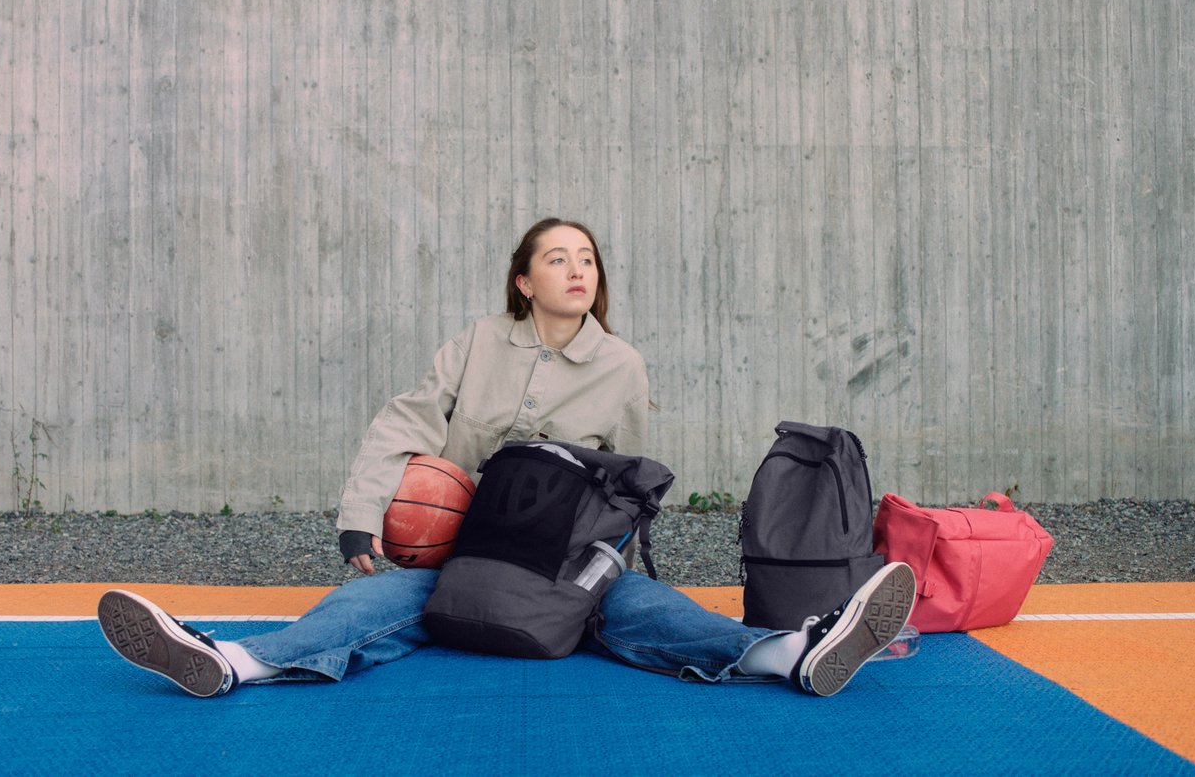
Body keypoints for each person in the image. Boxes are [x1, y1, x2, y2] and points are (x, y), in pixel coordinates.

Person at [98, 218, 916, 698]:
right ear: (523, 280)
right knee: (388, 601)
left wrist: (600, 557)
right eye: (557, 258)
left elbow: (634, 478)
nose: (576, 270)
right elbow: (402, 423)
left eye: (587, 260)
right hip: (466, 550)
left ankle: (791, 652)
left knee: (629, 607)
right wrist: (359, 524)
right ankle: (231, 659)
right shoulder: (478, 342)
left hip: (567, 556)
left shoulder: (622, 366)